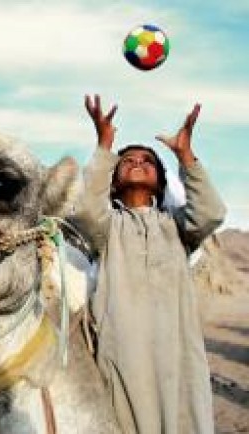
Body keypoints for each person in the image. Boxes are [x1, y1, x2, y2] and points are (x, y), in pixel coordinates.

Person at [70, 94, 226, 433]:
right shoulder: (107, 227)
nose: (137, 162)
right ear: (112, 180)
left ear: (161, 180)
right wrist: (104, 145)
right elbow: (84, 211)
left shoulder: (176, 226)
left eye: (147, 160)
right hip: (123, 356)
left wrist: (186, 156)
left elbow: (211, 213)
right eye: (126, 160)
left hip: (179, 357)